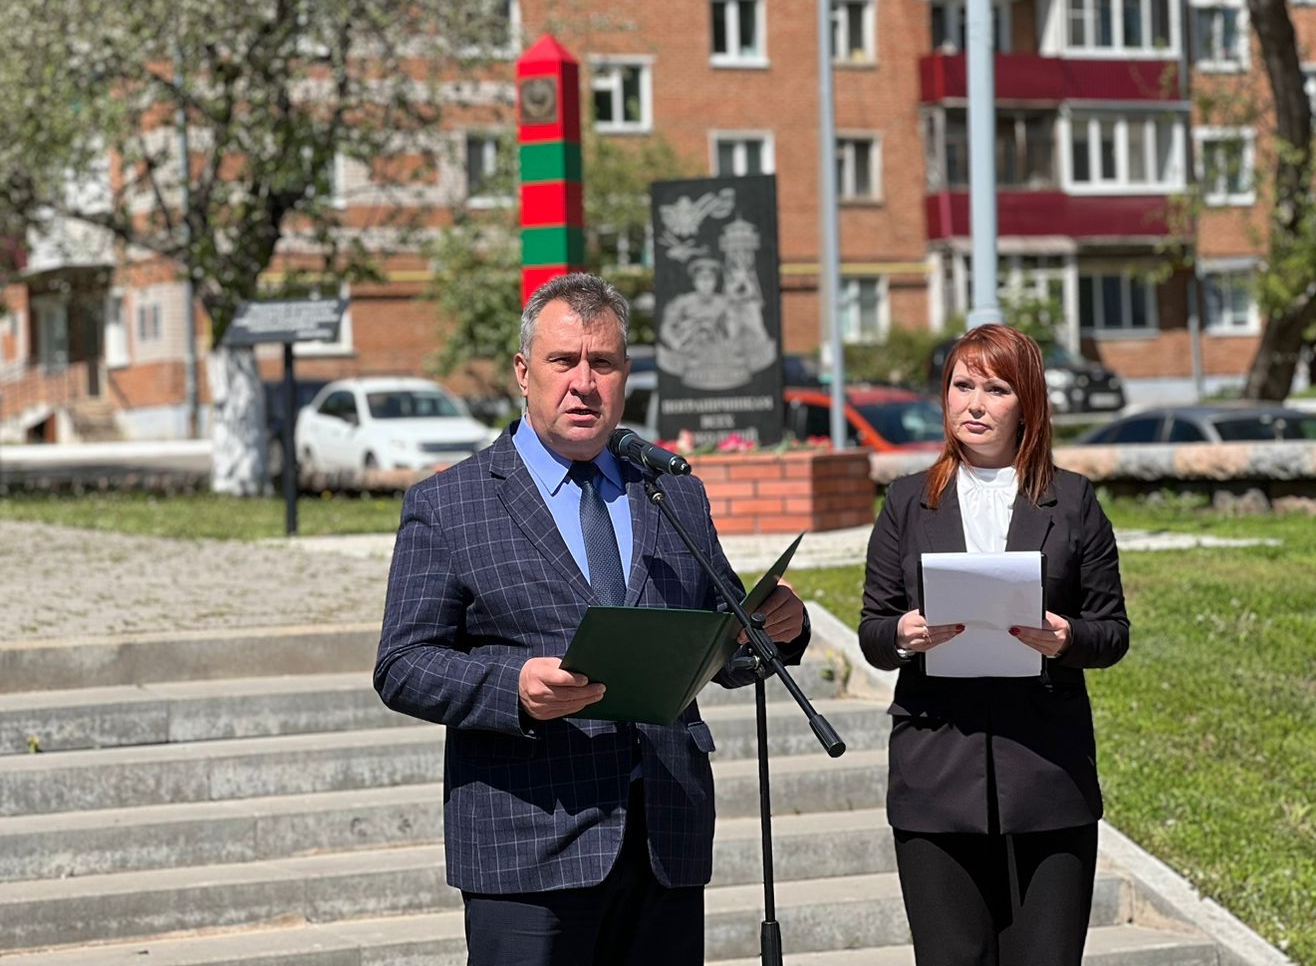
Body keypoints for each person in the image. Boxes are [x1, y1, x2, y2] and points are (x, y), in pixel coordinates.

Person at [375, 271, 809, 966]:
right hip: (528, 841)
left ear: (626, 376)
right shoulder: (451, 504)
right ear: (524, 372)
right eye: (563, 361)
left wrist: (775, 629)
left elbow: (720, 638)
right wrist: (513, 686)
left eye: (602, 362)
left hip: (664, 838)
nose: (584, 381)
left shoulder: (673, 493)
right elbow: (402, 664)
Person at [858, 324, 1129, 966]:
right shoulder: (905, 501)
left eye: (996, 388)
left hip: (1045, 769)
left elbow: (1111, 631)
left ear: (1027, 404)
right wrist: (903, 634)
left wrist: (1065, 639)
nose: (974, 404)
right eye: (962, 386)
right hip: (936, 771)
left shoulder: (1073, 500)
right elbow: (874, 628)